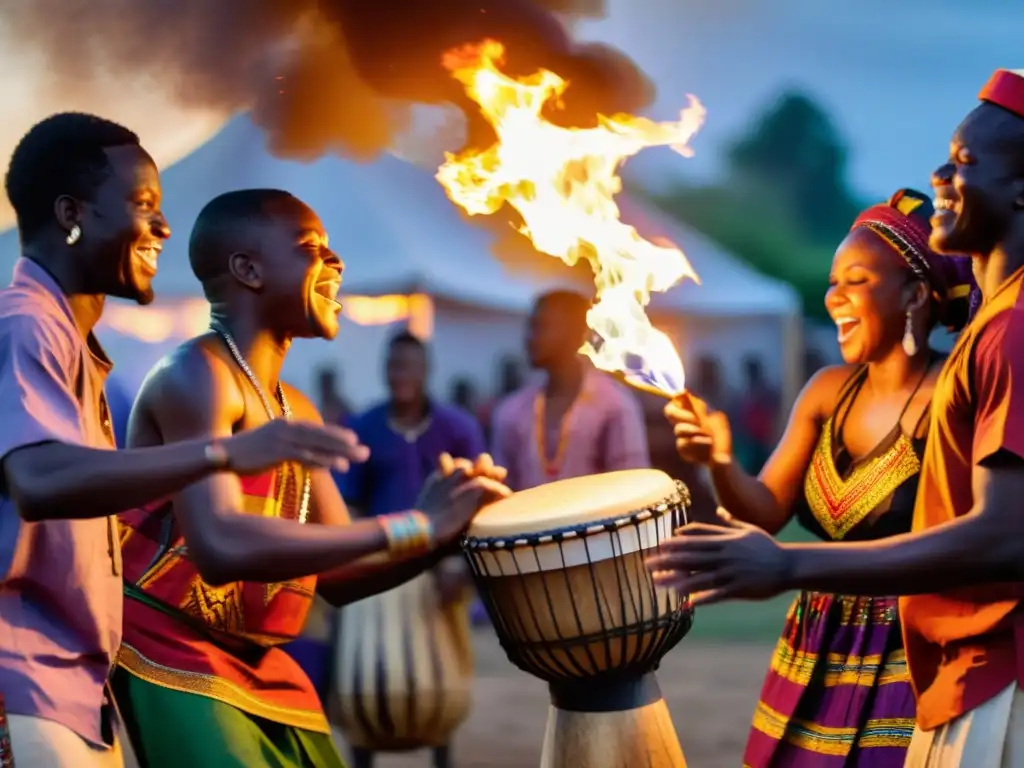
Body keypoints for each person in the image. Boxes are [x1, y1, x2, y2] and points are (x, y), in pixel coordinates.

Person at [647, 69, 1024, 767]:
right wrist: (719, 461)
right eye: (830, 284)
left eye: (857, 283)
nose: (835, 299)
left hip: (921, 646)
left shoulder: (992, 346)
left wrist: (791, 563)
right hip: (825, 637)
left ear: (914, 296)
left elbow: (1005, 535)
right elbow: (761, 512)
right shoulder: (833, 389)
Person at [0, 115, 362, 768]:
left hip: (73, 686)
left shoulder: (73, 343)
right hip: (22, 678)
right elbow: (38, 479)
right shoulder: (28, 326)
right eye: (142, 206)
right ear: (70, 214)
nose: (164, 227)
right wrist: (222, 453)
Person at [112, 189, 509, 768]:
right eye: (310, 247)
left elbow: (337, 574)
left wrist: (446, 531)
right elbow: (220, 545)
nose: (336, 262)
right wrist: (412, 524)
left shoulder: (297, 406)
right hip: (174, 652)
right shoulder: (195, 374)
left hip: (264, 665)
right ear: (248, 270)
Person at [334, 331, 487, 768]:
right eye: (394, 365)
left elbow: (475, 496)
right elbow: (350, 505)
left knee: (438, 674)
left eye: (409, 366)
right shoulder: (362, 428)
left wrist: (457, 561)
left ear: (425, 371)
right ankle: (362, 757)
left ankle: (442, 757)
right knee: (366, 675)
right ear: (386, 371)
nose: (400, 374)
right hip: (379, 567)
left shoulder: (457, 428)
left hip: (438, 569)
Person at [491, 289, 650, 491]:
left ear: (574, 334)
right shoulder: (511, 412)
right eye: (530, 327)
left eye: (541, 327)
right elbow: (502, 491)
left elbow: (633, 489)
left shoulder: (615, 405)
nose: (530, 338)